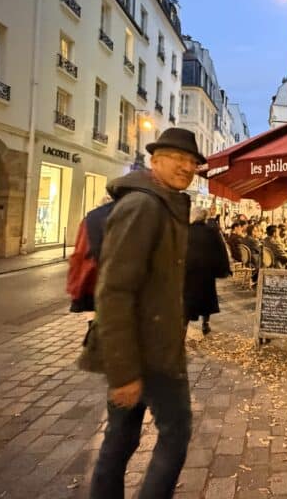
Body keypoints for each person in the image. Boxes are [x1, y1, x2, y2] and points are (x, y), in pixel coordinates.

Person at [90, 127, 203, 498]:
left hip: (145, 346)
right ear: (155, 161)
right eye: (178, 158)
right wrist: (124, 372)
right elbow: (114, 291)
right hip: (150, 352)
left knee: (121, 438)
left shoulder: (164, 202)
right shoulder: (144, 205)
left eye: (192, 161)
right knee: (175, 433)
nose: (187, 167)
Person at [185, 207, 232, 336]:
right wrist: (224, 270)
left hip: (189, 272)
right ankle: (205, 324)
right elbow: (221, 251)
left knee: (189, 299)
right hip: (206, 272)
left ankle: (184, 325)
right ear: (205, 217)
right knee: (206, 298)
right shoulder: (211, 231)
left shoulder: (185, 230)